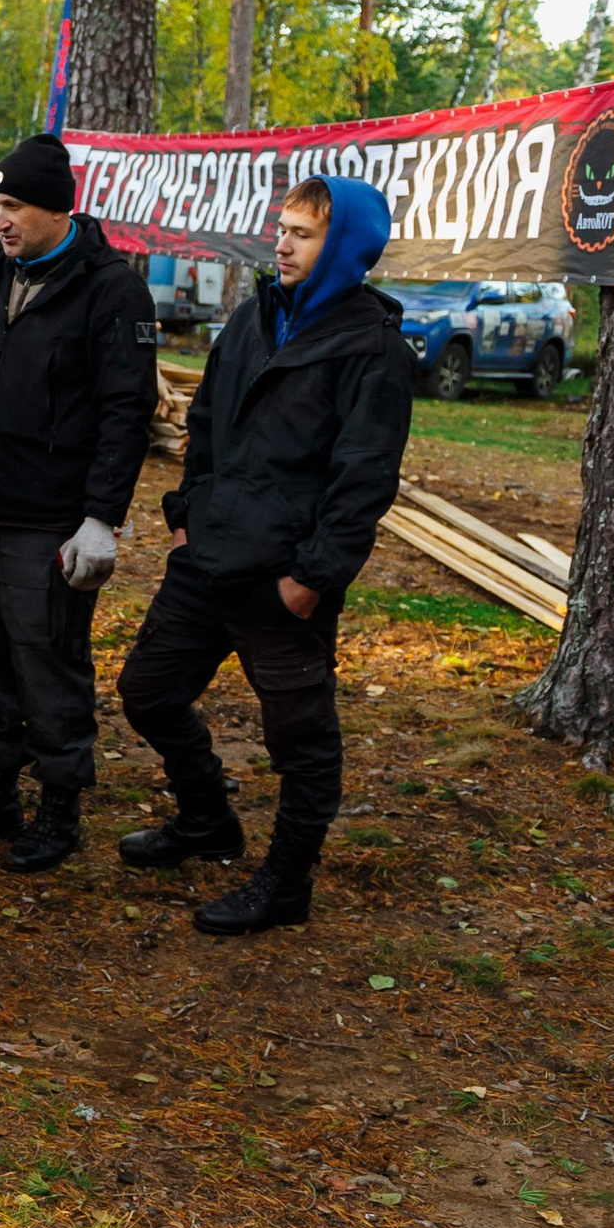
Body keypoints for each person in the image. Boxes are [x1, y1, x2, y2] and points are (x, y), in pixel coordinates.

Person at [113, 174, 415, 935]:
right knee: (147, 691)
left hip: (281, 580)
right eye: (281, 228)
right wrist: (186, 516)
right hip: (207, 559)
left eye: (303, 233)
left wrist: (310, 580)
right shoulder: (252, 318)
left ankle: (286, 882)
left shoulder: (371, 348)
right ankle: (207, 817)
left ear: (343, 246)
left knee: (301, 743)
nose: (282, 242)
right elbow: (206, 425)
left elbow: (364, 479)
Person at [0, 137, 159, 872]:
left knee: (47, 664)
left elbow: (126, 411)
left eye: (14, 205)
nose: (2, 220)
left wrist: (101, 516)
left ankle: (59, 807)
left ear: (58, 206)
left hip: (48, 523)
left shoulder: (111, 291)